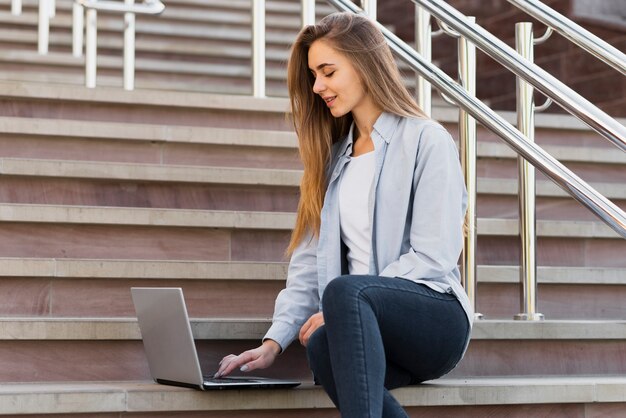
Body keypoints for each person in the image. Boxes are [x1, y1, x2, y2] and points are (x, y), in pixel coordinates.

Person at [215, 11, 473, 418]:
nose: (318, 86)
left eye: (327, 71)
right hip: (363, 330)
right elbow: (306, 267)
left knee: (344, 290)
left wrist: (342, 306)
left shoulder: (426, 140)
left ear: (364, 65)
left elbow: (434, 255)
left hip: (432, 323)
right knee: (320, 347)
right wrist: (274, 342)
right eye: (313, 76)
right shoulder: (333, 160)